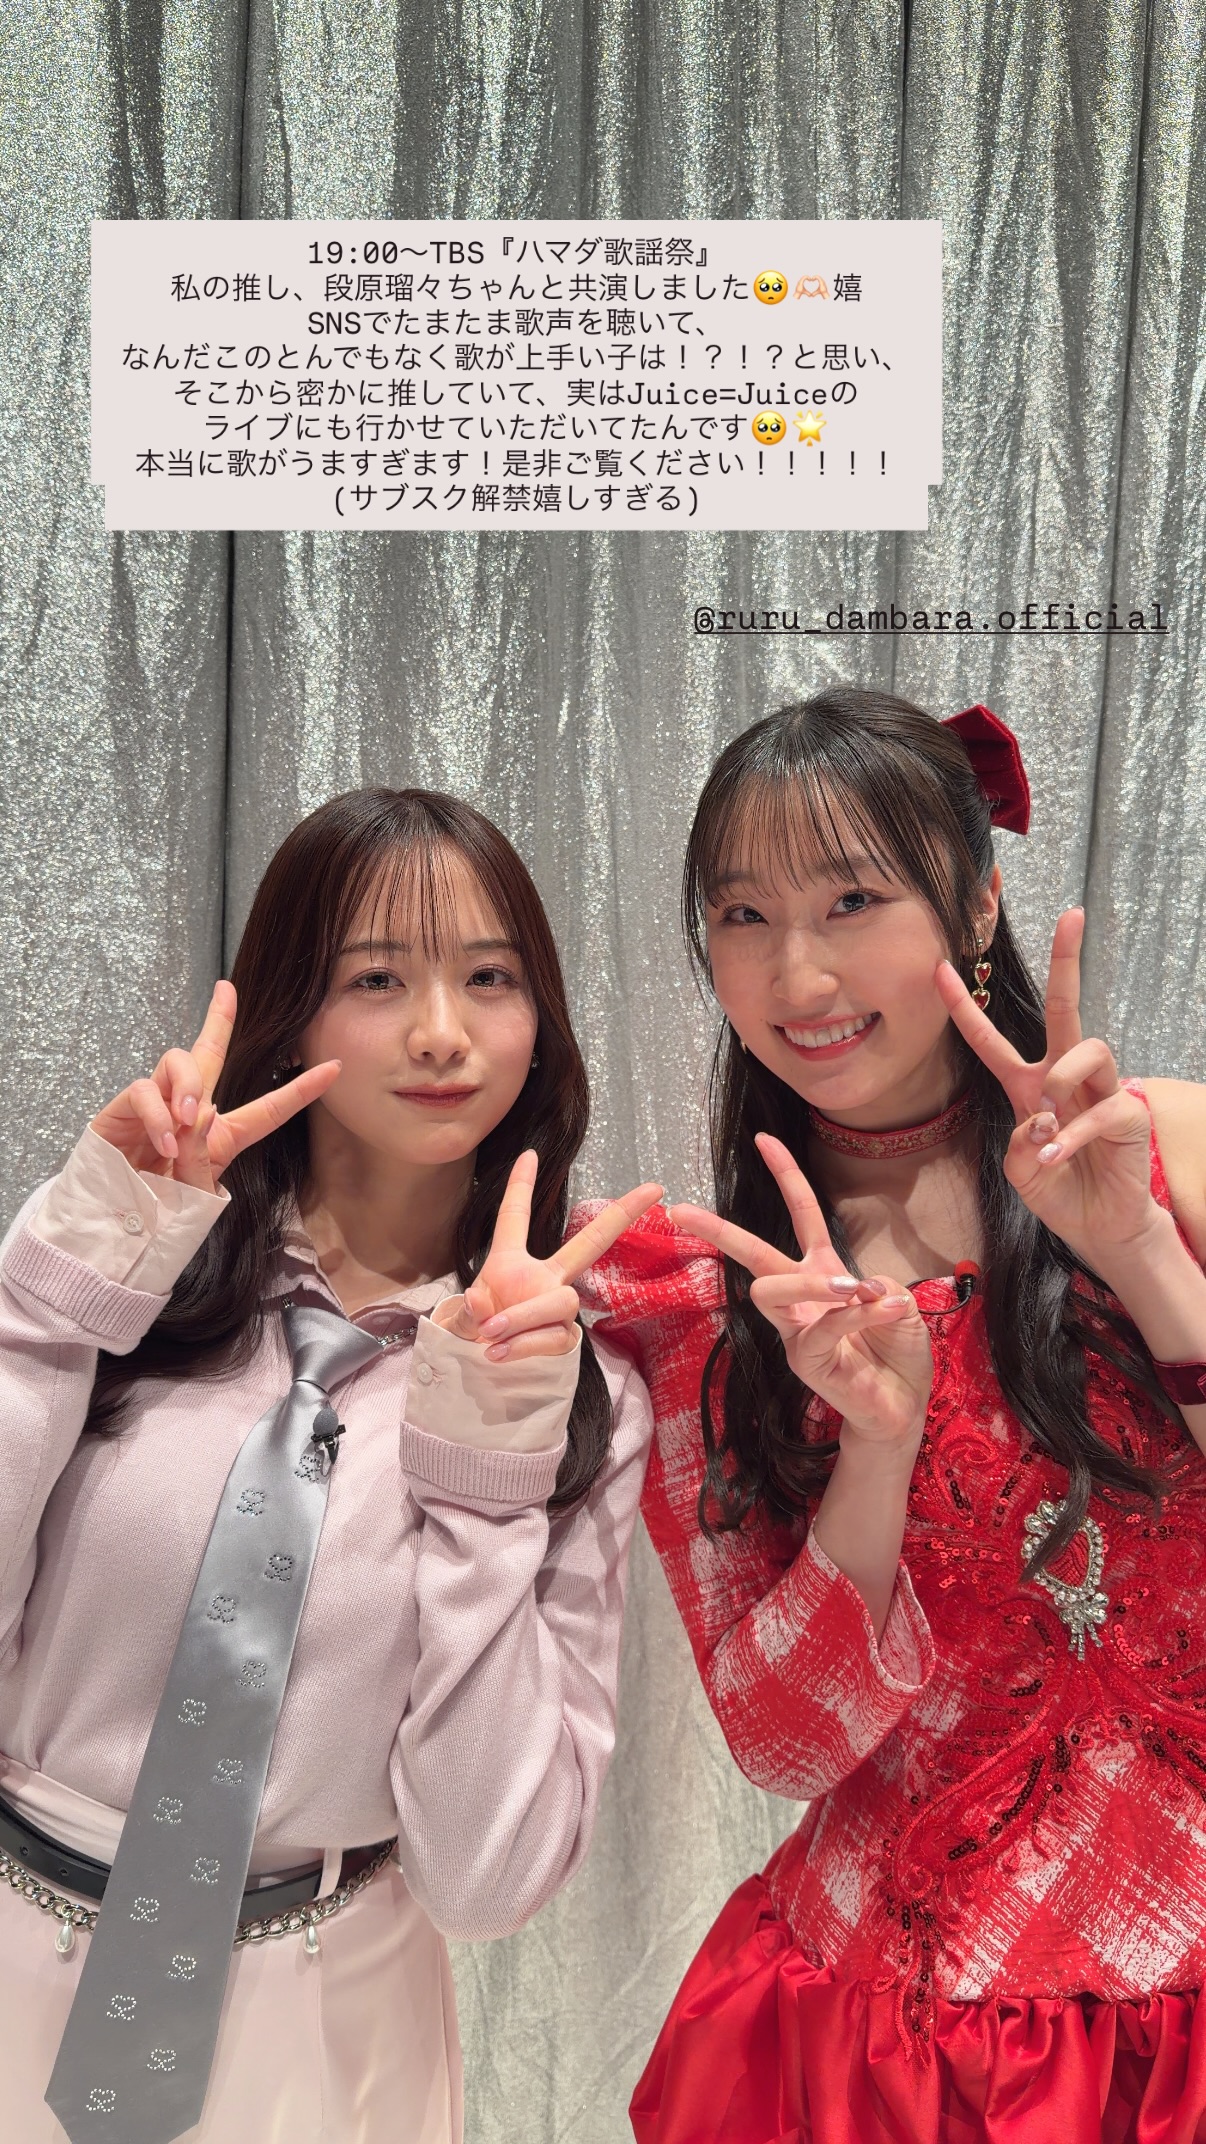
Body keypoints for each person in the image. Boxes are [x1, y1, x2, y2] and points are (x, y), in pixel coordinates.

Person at [574, 687, 1206, 2143]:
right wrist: (874, 1448)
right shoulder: (704, 1291)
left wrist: (1136, 1251)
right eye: (742, 915)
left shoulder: (1166, 1151)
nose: (797, 972)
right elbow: (781, 1748)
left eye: (852, 900)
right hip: (893, 2063)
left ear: (976, 901)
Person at [0, 786, 658, 2144]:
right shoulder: (132, 1272)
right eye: (377, 979)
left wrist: (487, 1475)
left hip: (331, 2024)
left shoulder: (576, 1391)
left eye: (490, 978)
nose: (441, 1032)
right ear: (293, 1008)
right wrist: (59, 1294)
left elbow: (485, 1879)